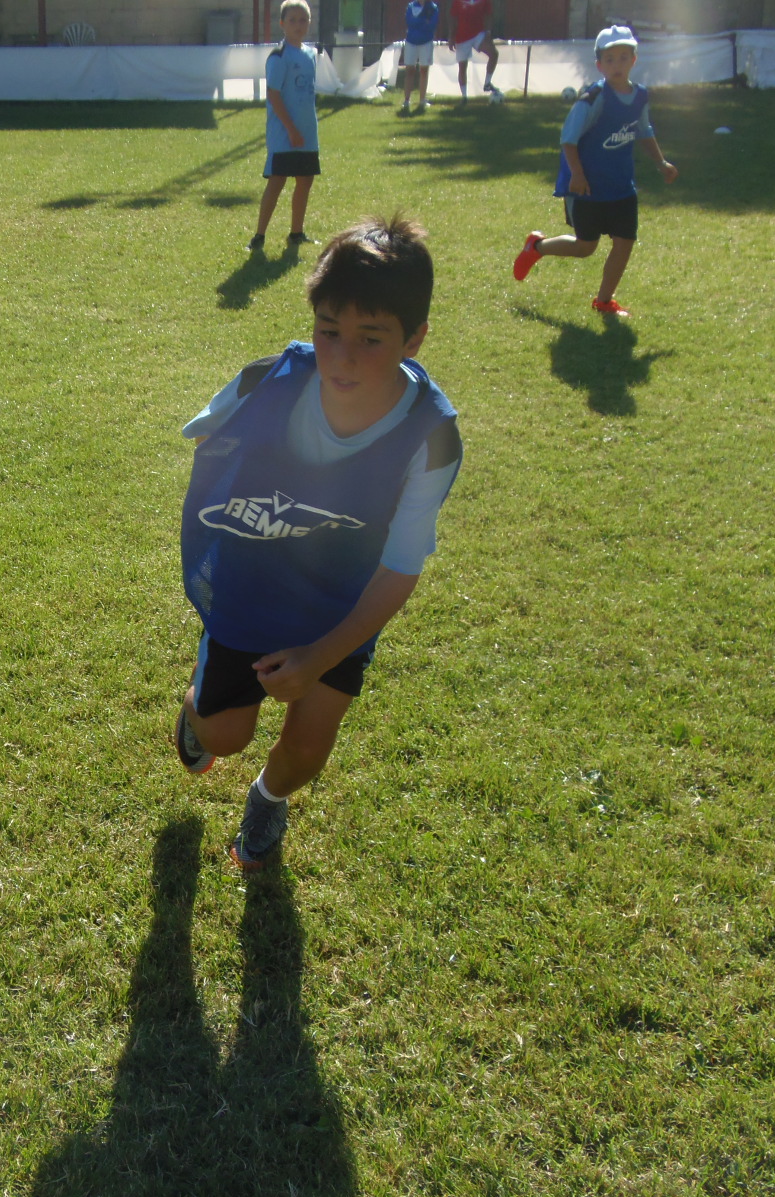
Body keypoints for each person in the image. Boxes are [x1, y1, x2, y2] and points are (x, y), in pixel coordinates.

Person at [176, 215, 463, 871]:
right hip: (249, 590)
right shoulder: (271, 379)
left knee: (308, 746)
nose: (342, 356)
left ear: (415, 337)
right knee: (225, 733)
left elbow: (400, 568)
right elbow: (206, 433)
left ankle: (268, 801)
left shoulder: (431, 438)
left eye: (370, 338)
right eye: (328, 331)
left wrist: (320, 655)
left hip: (342, 604)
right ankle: (199, 701)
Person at [511, 25, 678, 317]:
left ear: (634, 60)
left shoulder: (640, 95)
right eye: (609, 59)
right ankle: (537, 247)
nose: (617, 65)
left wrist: (660, 162)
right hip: (588, 187)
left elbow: (644, 130)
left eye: (623, 57)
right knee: (585, 247)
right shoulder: (594, 97)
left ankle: (604, 301)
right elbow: (568, 139)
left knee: (625, 242)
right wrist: (577, 174)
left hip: (622, 186)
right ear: (599, 65)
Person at [248, 0, 320, 253]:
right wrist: (290, 129)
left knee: (305, 180)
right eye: (292, 20)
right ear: (282, 24)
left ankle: (296, 232)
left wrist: (303, 129)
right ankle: (259, 236)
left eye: (303, 20)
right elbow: (274, 95)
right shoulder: (279, 57)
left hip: (307, 132)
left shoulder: (311, 54)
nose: (298, 25)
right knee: (277, 181)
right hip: (284, 134)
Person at [448, 0, 499, 103]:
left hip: (478, 34)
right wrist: (451, 36)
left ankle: (487, 83)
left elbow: (489, 14)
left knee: (494, 53)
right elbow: (453, 17)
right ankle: (464, 97)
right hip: (462, 36)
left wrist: (488, 33)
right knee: (463, 67)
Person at [399, 0, 439, 114]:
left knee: (424, 71)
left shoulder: (433, 8)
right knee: (409, 71)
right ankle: (407, 100)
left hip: (426, 42)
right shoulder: (411, 6)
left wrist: (418, 21)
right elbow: (409, 22)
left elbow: (431, 25)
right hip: (411, 42)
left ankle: (422, 100)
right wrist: (423, 21)